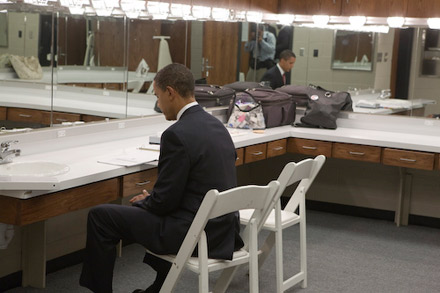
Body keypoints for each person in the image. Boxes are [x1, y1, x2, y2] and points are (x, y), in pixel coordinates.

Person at [79, 63, 244, 293]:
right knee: (147, 209)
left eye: (157, 96)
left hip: (192, 234)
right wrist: (154, 199)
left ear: (170, 92)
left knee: (100, 217)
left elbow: (165, 201)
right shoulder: (217, 126)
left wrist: (146, 201)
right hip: (222, 231)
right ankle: (157, 288)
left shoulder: (176, 135)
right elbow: (189, 189)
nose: (158, 104)